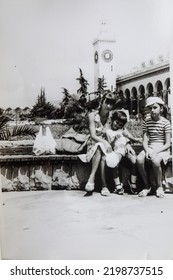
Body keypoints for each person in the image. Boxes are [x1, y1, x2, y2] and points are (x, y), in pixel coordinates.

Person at [78, 91, 115, 196]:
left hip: (108, 146)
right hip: (94, 144)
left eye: (111, 104)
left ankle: (98, 183)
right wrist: (104, 142)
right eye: (107, 102)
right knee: (99, 147)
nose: (108, 106)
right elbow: (93, 135)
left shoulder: (112, 116)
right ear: (102, 101)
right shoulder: (92, 115)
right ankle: (97, 181)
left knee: (103, 153)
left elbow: (122, 130)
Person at [136, 97, 171, 198]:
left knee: (155, 161)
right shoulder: (147, 121)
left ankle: (159, 186)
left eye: (155, 107)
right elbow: (145, 139)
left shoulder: (166, 122)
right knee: (139, 159)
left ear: (161, 109)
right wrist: (147, 150)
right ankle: (147, 186)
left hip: (162, 148)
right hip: (150, 147)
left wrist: (155, 152)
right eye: (150, 108)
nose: (152, 110)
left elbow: (168, 143)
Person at [104, 110, 142, 194]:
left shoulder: (121, 130)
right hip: (117, 150)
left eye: (120, 125)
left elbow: (127, 140)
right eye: (116, 122)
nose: (117, 125)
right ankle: (117, 185)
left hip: (126, 148)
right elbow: (109, 145)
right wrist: (114, 140)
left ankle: (132, 182)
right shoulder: (108, 131)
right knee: (114, 162)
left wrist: (130, 146)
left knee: (134, 161)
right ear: (112, 119)